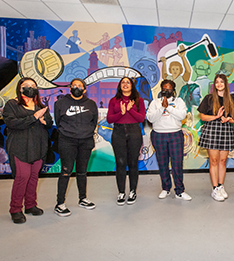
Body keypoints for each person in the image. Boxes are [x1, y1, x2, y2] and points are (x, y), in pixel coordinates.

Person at [2, 77, 52, 224]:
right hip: (20, 147)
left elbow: (49, 123)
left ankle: (30, 205)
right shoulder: (12, 104)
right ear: (20, 88)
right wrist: (34, 117)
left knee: (33, 177)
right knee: (22, 177)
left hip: (38, 147)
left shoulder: (40, 105)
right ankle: (15, 209)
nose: (30, 87)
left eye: (33, 85)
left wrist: (45, 121)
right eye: (26, 85)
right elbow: (11, 123)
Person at [53, 78, 98, 217]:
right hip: (67, 141)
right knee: (66, 171)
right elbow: (58, 121)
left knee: (82, 171)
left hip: (86, 141)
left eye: (80, 86)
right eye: (74, 85)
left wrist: (85, 133)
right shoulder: (60, 103)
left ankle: (82, 199)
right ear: (70, 87)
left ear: (84, 89)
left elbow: (94, 121)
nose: (77, 87)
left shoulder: (91, 104)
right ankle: (60, 204)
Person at [198, 74, 234, 201]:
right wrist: (216, 117)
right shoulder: (209, 98)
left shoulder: (233, 99)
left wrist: (229, 119)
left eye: (221, 82)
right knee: (214, 161)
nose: (219, 84)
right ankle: (215, 188)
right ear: (214, 85)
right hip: (212, 130)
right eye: (217, 82)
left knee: (223, 161)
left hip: (226, 130)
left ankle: (221, 186)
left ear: (225, 84)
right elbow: (202, 117)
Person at [146, 80, 191, 200]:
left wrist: (168, 108)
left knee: (177, 164)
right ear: (161, 89)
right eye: (164, 88)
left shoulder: (179, 101)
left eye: (169, 88)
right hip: (159, 135)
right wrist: (161, 108)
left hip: (175, 135)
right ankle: (166, 188)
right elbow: (150, 118)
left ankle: (179, 191)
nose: (167, 90)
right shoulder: (155, 103)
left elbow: (182, 116)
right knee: (162, 163)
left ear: (173, 90)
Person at [107, 77, 146, 205]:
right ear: (120, 86)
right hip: (118, 132)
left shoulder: (139, 100)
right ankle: (121, 192)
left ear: (132, 86)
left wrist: (130, 109)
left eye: (128, 82)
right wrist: (121, 113)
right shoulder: (114, 100)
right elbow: (109, 119)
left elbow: (141, 118)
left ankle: (133, 191)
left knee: (133, 162)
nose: (125, 84)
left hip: (134, 131)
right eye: (123, 82)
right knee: (120, 162)